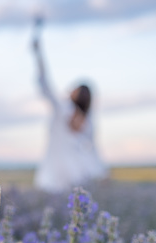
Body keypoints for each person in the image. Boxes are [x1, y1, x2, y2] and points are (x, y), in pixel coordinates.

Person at [32, 17, 107, 193]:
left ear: (75, 95)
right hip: (77, 171)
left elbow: (45, 82)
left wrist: (38, 52)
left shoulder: (62, 108)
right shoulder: (87, 120)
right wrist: (103, 171)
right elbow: (94, 149)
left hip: (55, 169)